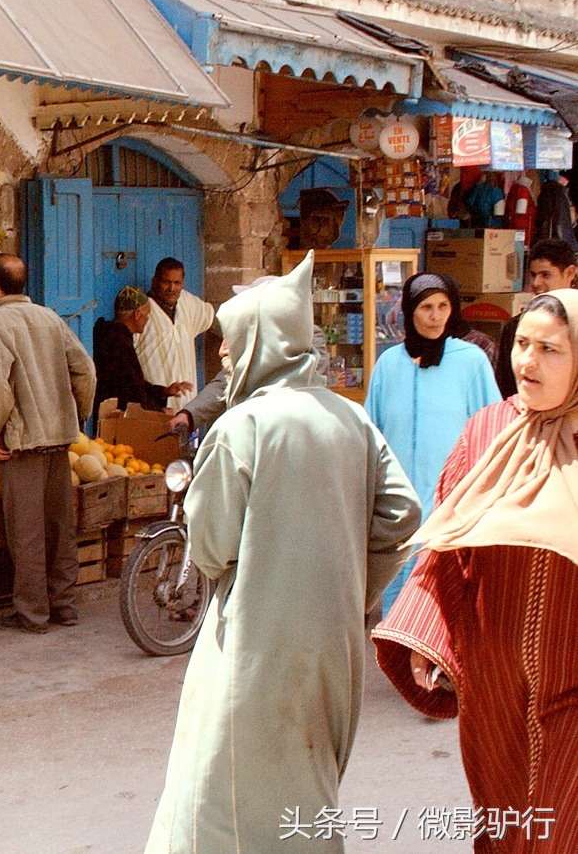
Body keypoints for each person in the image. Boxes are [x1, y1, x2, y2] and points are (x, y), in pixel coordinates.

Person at [143, 254, 422, 854]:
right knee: (305, 793)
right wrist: (352, 588)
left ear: (259, 344)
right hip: (334, 642)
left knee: (220, 801)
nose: (222, 358)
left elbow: (212, 548)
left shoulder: (242, 426)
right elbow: (402, 515)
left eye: (229, 346)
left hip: (253, 643)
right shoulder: (352, 419)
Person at [373, 290, 578, 853]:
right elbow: (445, 541)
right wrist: (426, 637)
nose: (527, 362)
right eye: (524, 345)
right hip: (493, 684)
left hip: (573, 673)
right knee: (506, 823)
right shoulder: (488, 432)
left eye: (551, 350)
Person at [0, 254, 96, 634]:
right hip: (58, 440)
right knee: (60, 527)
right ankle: (65, 605)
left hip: (22, 445)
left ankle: (32, 614)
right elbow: (85, 370)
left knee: (25, 533)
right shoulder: (50, 318)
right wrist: (78, 416)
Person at [366, 272, 501, 615]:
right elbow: (371, 435)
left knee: (444, 618)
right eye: (426, 307)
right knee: (397, 619)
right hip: (398, 516)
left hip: (451, 510)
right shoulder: (388, 365)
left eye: (443, 306)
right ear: (410, 311)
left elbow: (494, 432)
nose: (435, 316)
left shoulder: (470, 361)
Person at [168, 275, 329, 435]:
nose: (222, 351)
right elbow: (226, 380)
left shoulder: (309, 338)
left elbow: (304, 385)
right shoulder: (251, 335)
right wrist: (189, 415)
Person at [495, 239, 577, 397]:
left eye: (545, 275)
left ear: (570, 273)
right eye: (533, 275)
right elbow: (506, 387)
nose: (536, 283)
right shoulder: (516, 326)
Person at [133, 257, 214, 411]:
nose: (172, 288)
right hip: (157, 407)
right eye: (166, 282)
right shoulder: (142, 312)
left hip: (189, 406)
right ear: (154, 281)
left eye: (177, 283)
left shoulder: (187, 303)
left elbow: (213, 317)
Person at [93, 286, 191, 412]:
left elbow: (136, 383)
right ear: (137, 314)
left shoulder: (111, 335)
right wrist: (160, 412)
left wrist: (164, 391)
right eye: (146, 315)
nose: (147, 319)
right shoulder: (119, 344)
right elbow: (131, 394)